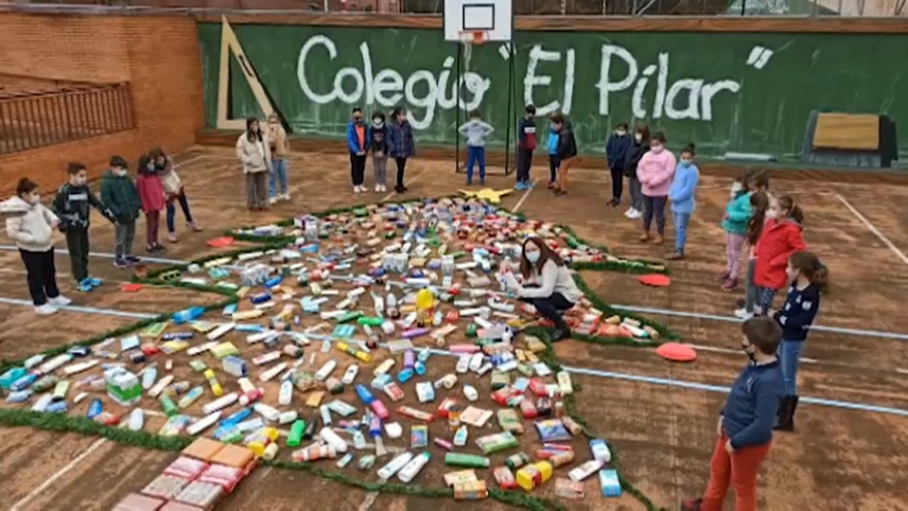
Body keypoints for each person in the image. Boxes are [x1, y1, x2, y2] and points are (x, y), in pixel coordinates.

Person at [681, 317, 784, 511]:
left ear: (754, 347)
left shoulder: (768, 382)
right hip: (731, 430)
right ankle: (709, 506)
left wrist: (737, 442)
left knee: (743, 486)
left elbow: (763, 426)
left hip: (746, 443)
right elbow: (738, 393)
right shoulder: (756, 366)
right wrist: (723, 414)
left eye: (744, 340)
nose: (742, 342)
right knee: (718, 469)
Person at [773, 251, 826, 432]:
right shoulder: (795, 286)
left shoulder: (811, 294)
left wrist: (780, 319)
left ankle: (786, 419)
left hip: (793, 340)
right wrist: (778, 316)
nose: (787, 271)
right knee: (781, 373)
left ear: (799, 271)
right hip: (783, 336)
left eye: (789, 267)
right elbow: (787, 310)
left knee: (788, 377)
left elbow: (802, 321)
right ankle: (779, 412)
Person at [2, 178, 70, 315]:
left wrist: (54, 220)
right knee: (36, 276)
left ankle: (53, 295)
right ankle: (39, 302)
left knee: (49, 271)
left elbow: (47, 212)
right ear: (24, 195)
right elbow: (12, 232)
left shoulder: (36, 205)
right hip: (30, 249)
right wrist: (32, 239)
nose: (37, 196)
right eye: (34, 193)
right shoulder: (15, 211)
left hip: (46, 245)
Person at [499, 237, 583, 342]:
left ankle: (562, 327)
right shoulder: (533, 262)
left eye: (534, 250)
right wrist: (505, 264)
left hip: (566, 296)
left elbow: (546, 291)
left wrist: (523, 292)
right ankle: (549, 312)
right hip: (554, 292)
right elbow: (514, 267)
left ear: (541, 248)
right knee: (525, 292)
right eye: (527, 251)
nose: (531, 253)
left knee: (538, 301)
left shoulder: (549, 264)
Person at [51, 162, 115, 291]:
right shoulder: (64, 191)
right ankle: (79, 280)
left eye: (85, 175)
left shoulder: (84, 189)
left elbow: (96, 203)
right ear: (72, 176)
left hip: (83, 226)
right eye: (81, 175)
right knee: (76, 254)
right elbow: (55, 209)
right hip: (72, 229)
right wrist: (63, 225)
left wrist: (110, 217)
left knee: (84, 252)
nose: (84, 178)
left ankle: (85, 276)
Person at [753, 196, 807, 316]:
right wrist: (757, 250)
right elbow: (763, 238)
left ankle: (764, 323)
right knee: (760, 298)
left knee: (765, 302)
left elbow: (800, 249)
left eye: (773, 208)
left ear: (784, 211)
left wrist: (779, 260)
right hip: (763, 267)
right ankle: (761, 317)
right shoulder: (770, 222)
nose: (769, 211)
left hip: (775, 272)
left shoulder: (791, 230)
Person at [149, 148, 201, 244]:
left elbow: (173, 173)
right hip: (168, 193)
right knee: (171, 212)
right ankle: (171, 232)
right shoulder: (154, 171)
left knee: (185, 206)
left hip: (177, 186)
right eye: (157, 160)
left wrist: (179, 186)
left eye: (161, 158)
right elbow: (157, 185)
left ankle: (190, 221)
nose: (160, 161)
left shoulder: (169, 162)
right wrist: (164, 195)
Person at [101, 156, 143, 268]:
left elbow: (134, 193)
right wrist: (117, 212)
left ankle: (128, 255)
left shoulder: (127, 180)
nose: (121, 171)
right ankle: (118, 258)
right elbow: (106, 200)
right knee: (120, 238)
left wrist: (137, 205)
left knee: (130, 235)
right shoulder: (107, 183)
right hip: (120, 216)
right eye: (119, 168)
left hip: (131, 213)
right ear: (112, 168)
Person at [735, 191, 770, 319]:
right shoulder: (769, 220)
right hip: (763, 256)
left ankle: (749, 310)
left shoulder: (758, 220)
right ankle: (757, 305)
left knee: (750, 283)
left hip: (756, 256)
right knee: (758, 283)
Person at [636, 131, 676, 245]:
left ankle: (660, 234)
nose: (654, 147)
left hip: (661, 191)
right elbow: (640, 168)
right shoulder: (646, 155)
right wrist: (643, 179)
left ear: (663, 143)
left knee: (659, 213)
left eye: (657, 144)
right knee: (646, 212)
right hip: (646, 190)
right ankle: (645, 231)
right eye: (652, 144)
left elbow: (668, 172)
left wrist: (655, 181)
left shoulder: (669, 156)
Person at [717, 173, 752, 291]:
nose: (735, 185)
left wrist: (731, 215)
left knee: (735, 253)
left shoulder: (745, 199)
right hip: (730, 227)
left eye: (739, 183)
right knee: (729, 250)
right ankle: (729, 270)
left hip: (738, 229)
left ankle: (734, 277)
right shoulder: (736, 196)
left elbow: (747, 215)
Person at [667, 144, 699, 259]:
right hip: (675, 204)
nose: (685, 160)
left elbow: (688, 190)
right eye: (683, 157)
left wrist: (675, 197)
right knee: (677, 227)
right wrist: (670, 193)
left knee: (681, 227)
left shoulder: (693, 171)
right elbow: (675, 182)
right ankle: (678, 247)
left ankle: (679, 250)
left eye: (688, 158)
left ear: (693, 158)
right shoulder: (679, 166)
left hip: (684, 205)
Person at [235, 117, 272, 210]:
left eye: (256, 124)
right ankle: (251, 204)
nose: (254, 126)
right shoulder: (243, 138)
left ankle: (262, 204)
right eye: (252, 124)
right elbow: (239, 151)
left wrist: (268, 162)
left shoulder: (262, 137)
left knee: (262, 187)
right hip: (251, 167)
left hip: (262, 165)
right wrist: (248, 160)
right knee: (250, 187)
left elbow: (266, 149)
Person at [135, 154, 165, 254]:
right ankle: (149, 243)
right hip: (149, 205)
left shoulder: (155, 175)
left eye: (152, 163)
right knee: (150, 225)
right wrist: (144, 206)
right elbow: (141, 193)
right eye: (150, 163)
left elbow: (160, 189)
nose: (152, 165)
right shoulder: (141, 178)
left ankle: (155, 242)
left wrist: (161, 200)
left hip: (156, 203)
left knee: (156, 224)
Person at [458, 109, 494, 186]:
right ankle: (469, 179)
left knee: (481, 163)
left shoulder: (482, 124)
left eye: (476, 118)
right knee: (470, 163)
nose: (475, 120)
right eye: (474, 118)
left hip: (480, 147)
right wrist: (468, 136)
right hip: (472, 147)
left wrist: (483, 134)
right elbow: (460, 129)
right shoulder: (469, 125)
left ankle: (482, 178)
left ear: (479, 117)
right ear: (471, 118)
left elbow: (491, 129)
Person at [623, 124, 650, 219]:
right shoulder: (633, 143)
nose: (637, 135)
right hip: (631, 171)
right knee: (632, 190)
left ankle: (639, 209)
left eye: (640, 133)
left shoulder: (645, 146)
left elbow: (640, 158)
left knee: (638, 191)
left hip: (639, 171)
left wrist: (631, 163)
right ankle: (633, 206)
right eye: (637, 132)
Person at [387, 106, 416, 194]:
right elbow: (388, 138)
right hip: (397, 151)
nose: (404, 116)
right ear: (397, 116)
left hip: (405, 150)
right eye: (402, 115)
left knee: (402, 168)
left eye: (404, 115)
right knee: (400, 167)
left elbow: (410, 137)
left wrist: (411, 148)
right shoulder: (392, 125)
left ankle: (400, 184)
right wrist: (392, 147)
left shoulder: (407, 125)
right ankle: (399, 184)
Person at [266, 113, 291, 203]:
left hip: (282, 157)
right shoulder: (267, 132)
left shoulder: (282, 130)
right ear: (268, 123)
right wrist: (273, 132)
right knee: (273, 177)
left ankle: (284, 192)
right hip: (274, 158)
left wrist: (286, 153)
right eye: (271, 122)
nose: (274, 124)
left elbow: (286, 142)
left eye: (275, 122)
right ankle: (272, 195)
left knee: (284, 176)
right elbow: (270, 144)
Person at [551, 112, 578, 196]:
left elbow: (564, 145)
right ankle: (559, 187)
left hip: (567, 155)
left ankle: (563, 190)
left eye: (554, 124)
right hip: (567, 154)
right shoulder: (564, 129)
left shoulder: (565, 133)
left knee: (562, 171)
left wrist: (558, 154)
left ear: (559, 123)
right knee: (561, 171)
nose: (553, 125)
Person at [605, 123, 631, 207]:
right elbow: (608, 148)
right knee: (614, 181)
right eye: (618, 129)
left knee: (618, 180)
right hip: (612, 163)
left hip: (620, 163)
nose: (620, 131)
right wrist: (610, 158)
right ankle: (614, 196)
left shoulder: (627, 139)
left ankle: (617, 197)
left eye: (622, 129)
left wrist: (617, 158)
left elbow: (625, 151)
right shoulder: (612, 137)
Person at [347, 107, 369, 193]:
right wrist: (356, 150)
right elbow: (350, 139)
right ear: (353, 115)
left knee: (361, 167)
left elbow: (368, 138)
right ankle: (355, 184)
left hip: (363, 150)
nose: (357, 116)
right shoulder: (351, 126)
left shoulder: (365, 125)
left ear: (361, 114)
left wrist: (365, 149)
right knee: (355, 167)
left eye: (359, 114)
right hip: (355, 152)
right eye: (355, 114)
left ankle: (360, 183)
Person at [516, 104, 537, 190]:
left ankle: (526, 179)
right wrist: (523, 143)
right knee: (522, 163)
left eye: (532, 113)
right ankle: (519, 181)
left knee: (528, 163)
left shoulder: (533, 123)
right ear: (526, 113)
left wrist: (533, 144)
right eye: (530, 113)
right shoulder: (522, 122)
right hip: (523, 147)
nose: (531, 115)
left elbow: (533, 135)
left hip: (530, 147)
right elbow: (521, 135)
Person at [369, 111, 389, 192]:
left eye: (379, 118)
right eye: (375, 118)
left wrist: (382, 150)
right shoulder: (371, 129)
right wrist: (376, 151)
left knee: (383, 168)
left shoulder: (385, 129)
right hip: (375, 152)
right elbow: (371, 141)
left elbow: (386, 140)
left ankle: (383, 183)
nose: (377, 120)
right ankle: (377, 183)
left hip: (384, 152)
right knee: (376, 168)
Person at [545, 121, 560, 189]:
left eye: (554, 125)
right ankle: (553, 180)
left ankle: (559, 182)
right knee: (552, 168)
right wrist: (549, 149)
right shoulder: (551, 133)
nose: (552, 126)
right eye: (551, 125)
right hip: (551, 153)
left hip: (557, 153)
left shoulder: (559, 134)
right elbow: (550, 142)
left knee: (559, 168)